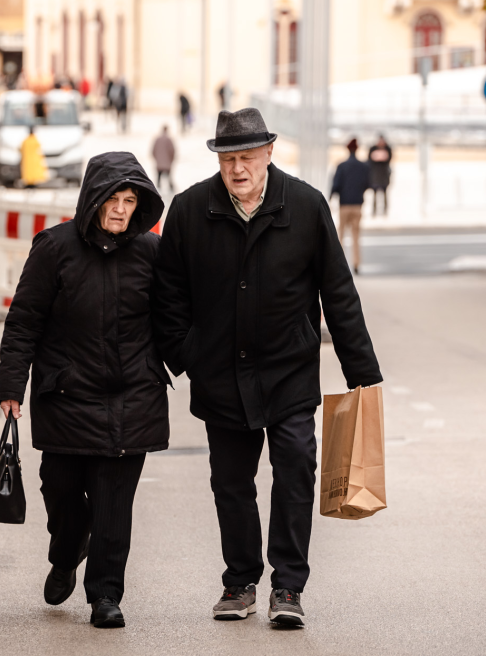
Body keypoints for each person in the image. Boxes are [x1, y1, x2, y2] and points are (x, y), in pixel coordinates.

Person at [152, 108, 382, 627]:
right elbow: (168, 294)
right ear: (218, 159)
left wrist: (361, 371)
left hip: (288, 371)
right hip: (219, 375)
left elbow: (338, 292)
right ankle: (239, 582)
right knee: (230, 481)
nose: (239, 169)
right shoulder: (190, 210)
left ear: (269, 154)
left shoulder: (304, 205)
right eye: (229, 158)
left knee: (296, 468)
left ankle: (288, 587)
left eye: (248, 158)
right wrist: (187, 355)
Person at [0, 152, 170, 628]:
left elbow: (175, 322)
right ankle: (67, 547)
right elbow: (24, 320)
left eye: (130, 200)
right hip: (67, 395)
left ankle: (106, 595)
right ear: (93, 198)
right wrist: (13, 383)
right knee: (62, 490)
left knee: (114, 504)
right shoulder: (54, 248)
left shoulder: (152, 253)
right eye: (112, 198)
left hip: (133, 396)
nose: (120, 209)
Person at [331, 138, 371, 274]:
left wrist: (331, 198)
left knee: (341, 235)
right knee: (356, 236)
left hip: (344, 205)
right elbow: (368, 183)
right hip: (358, 205)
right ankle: (356, 264)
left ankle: (339, 265)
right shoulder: (364, 166)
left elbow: (335, 185)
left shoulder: (342, 166)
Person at [367, 134, 392, 216]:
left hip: (384, 175)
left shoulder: (387, 148)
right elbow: (369, 159)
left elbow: (389, 158)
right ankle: (374, 211)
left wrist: (380, 155)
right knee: (374, 195)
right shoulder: (373, 148)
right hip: (375, 175)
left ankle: (385, 211)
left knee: (384, 194)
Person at [152, 125, 176, 193]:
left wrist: (157, 159)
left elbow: (153, 151)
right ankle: (171, 189)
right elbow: (172, 151)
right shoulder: (169, 139)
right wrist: (171, 160)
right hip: (167, 162)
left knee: (159, 177)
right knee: (169, 177)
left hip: (159, 163)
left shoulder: (157, 139)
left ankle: (158, 189)